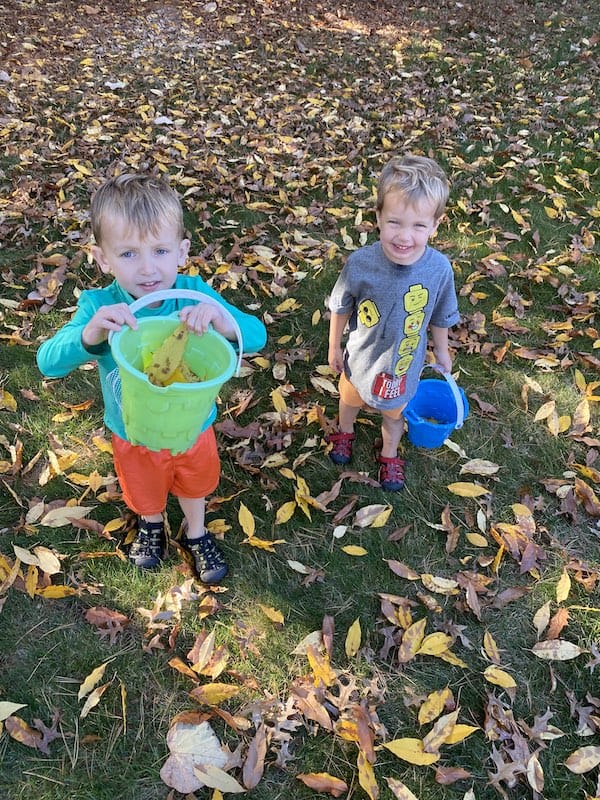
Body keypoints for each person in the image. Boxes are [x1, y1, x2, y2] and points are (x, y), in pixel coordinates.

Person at [37, 174, 267, 583]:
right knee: (144, 486)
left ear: (181, 252)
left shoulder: (194, 295)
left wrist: (223, 322)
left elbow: (257, 335)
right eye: (127, 254)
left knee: (194, 483)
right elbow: (47, 362)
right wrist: (90, 334)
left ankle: (195, 533)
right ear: (102, 258)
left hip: (192, 424)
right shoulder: (100, 305)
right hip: (132, 429)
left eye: (160, 251)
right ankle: (151, 523)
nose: (147, 268)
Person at [326, 154, 459, 491]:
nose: (405, 236)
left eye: (418, 226)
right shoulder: (361, 264)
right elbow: (340, 304)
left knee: (393, 414)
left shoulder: (439, 270)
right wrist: (333, 345)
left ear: (435, 225)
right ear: (378, 218)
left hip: (402, 364)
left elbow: (441, 315)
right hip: (360, 358)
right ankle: (345, 432)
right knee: (350, 400)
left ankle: (388, 453)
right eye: (395, 222)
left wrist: (442, 351)